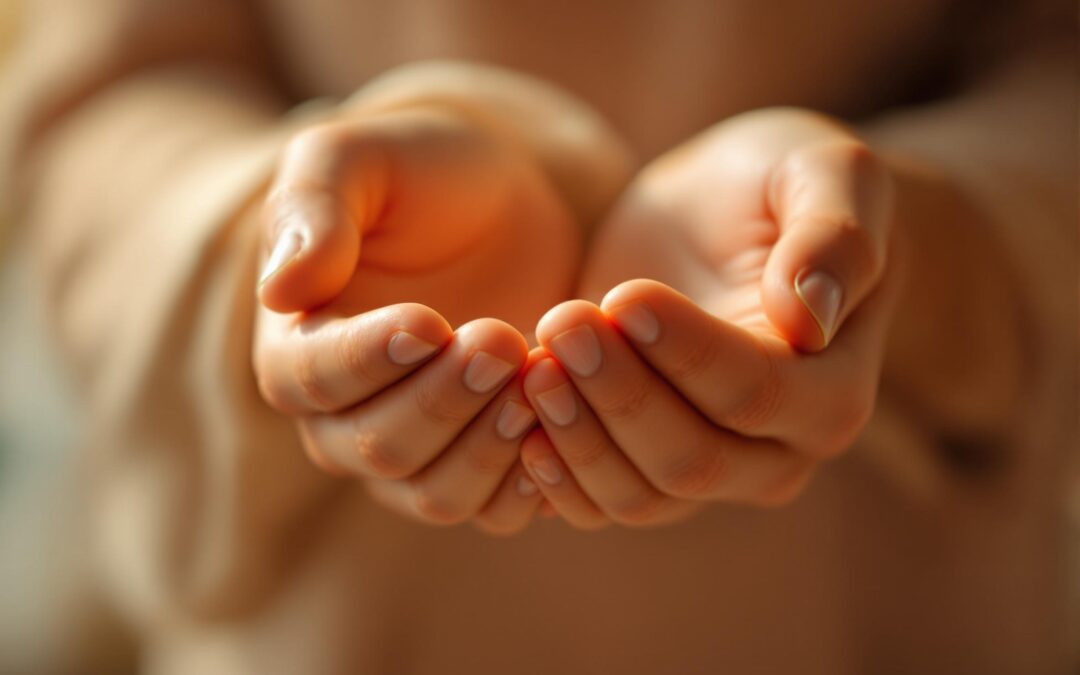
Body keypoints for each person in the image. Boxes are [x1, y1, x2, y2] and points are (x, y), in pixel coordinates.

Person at [0, 1, 1074, 672]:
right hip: (339, 625)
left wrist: (923, 254)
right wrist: (271, 248)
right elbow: (94, 100)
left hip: (892, 611)